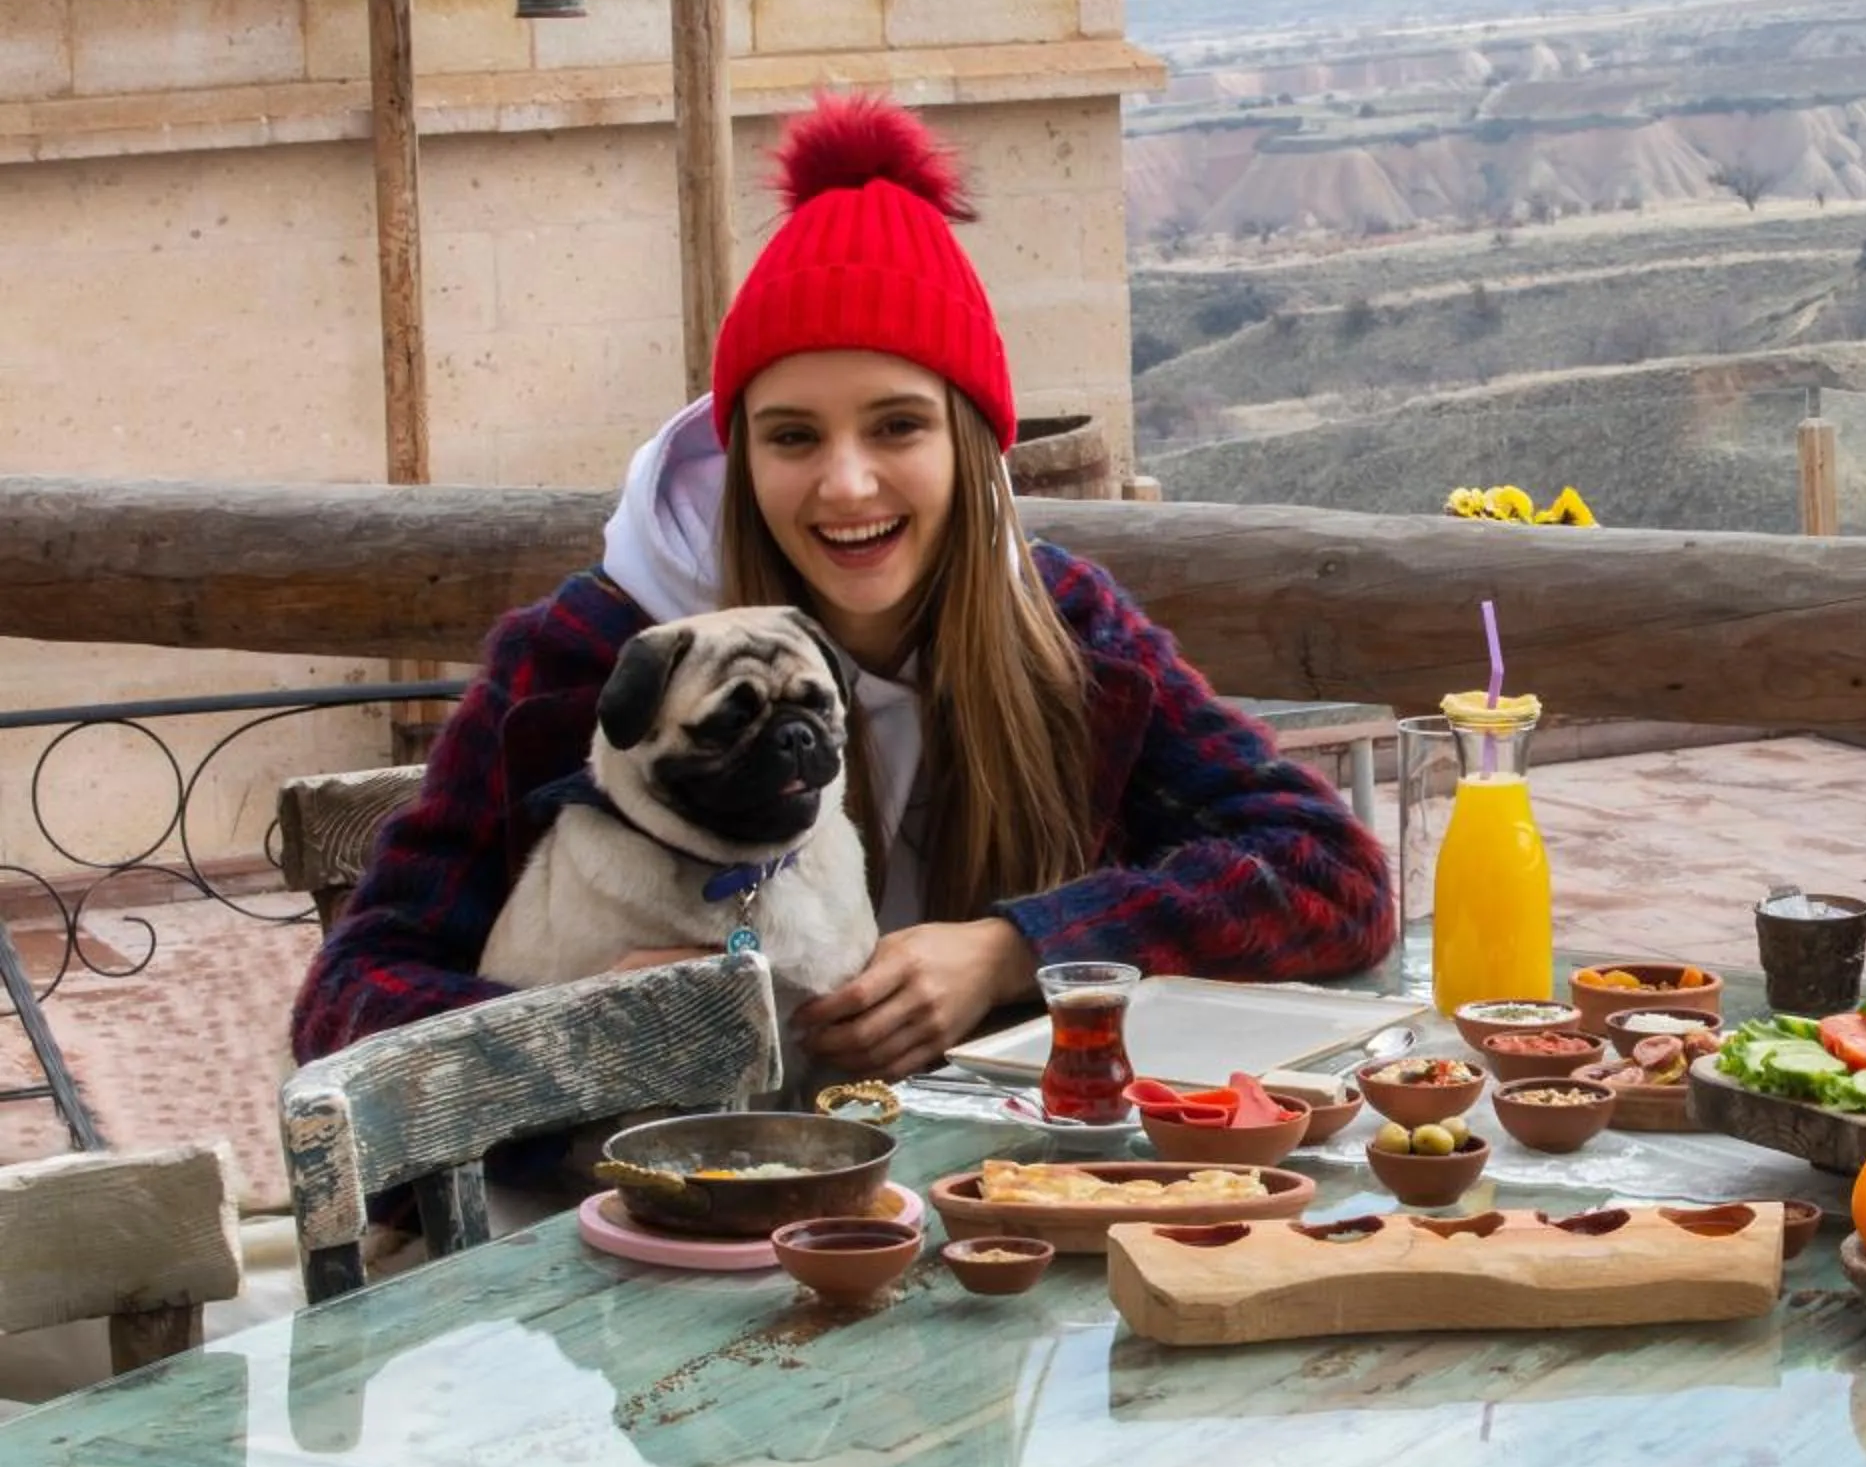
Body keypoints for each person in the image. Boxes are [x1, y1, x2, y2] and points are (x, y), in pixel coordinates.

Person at [294, 94, 1394, 1078]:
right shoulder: (595, 653)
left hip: (997, 1200)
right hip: (637, 1227)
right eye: (791, 436)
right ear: (737, 458)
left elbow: (1329, 874)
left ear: (972, 445)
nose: (846, 482)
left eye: (898, 424)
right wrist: (582, 1026)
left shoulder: (1064, 630)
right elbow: (352, 1002)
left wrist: (1018, 948)